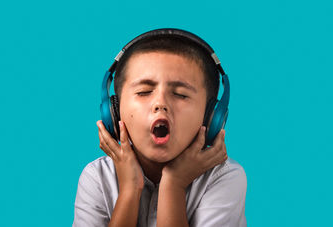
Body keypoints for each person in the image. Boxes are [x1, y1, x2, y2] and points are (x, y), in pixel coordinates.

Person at [72, 28, 247, 227]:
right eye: (144, 91)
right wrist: (129, 189)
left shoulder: (224, 178)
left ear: (211, 116)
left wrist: (174, 184)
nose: (160, 103)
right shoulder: (97, 177)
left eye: (181, 95)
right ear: (115, 109)